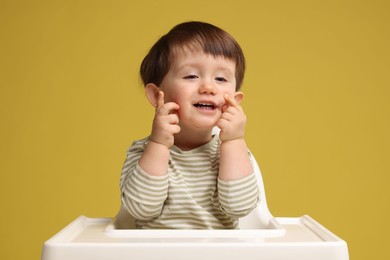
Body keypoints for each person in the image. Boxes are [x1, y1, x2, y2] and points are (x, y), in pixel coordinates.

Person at [120, 21, 259, 229]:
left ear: (235, 100)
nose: (209, 87)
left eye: (221, 78)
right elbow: (140, 209)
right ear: (157, 94)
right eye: (191, 76)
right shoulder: (142, 151)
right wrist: (158, 144)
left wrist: (233, 141)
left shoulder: (233, 152)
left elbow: (239, 207)